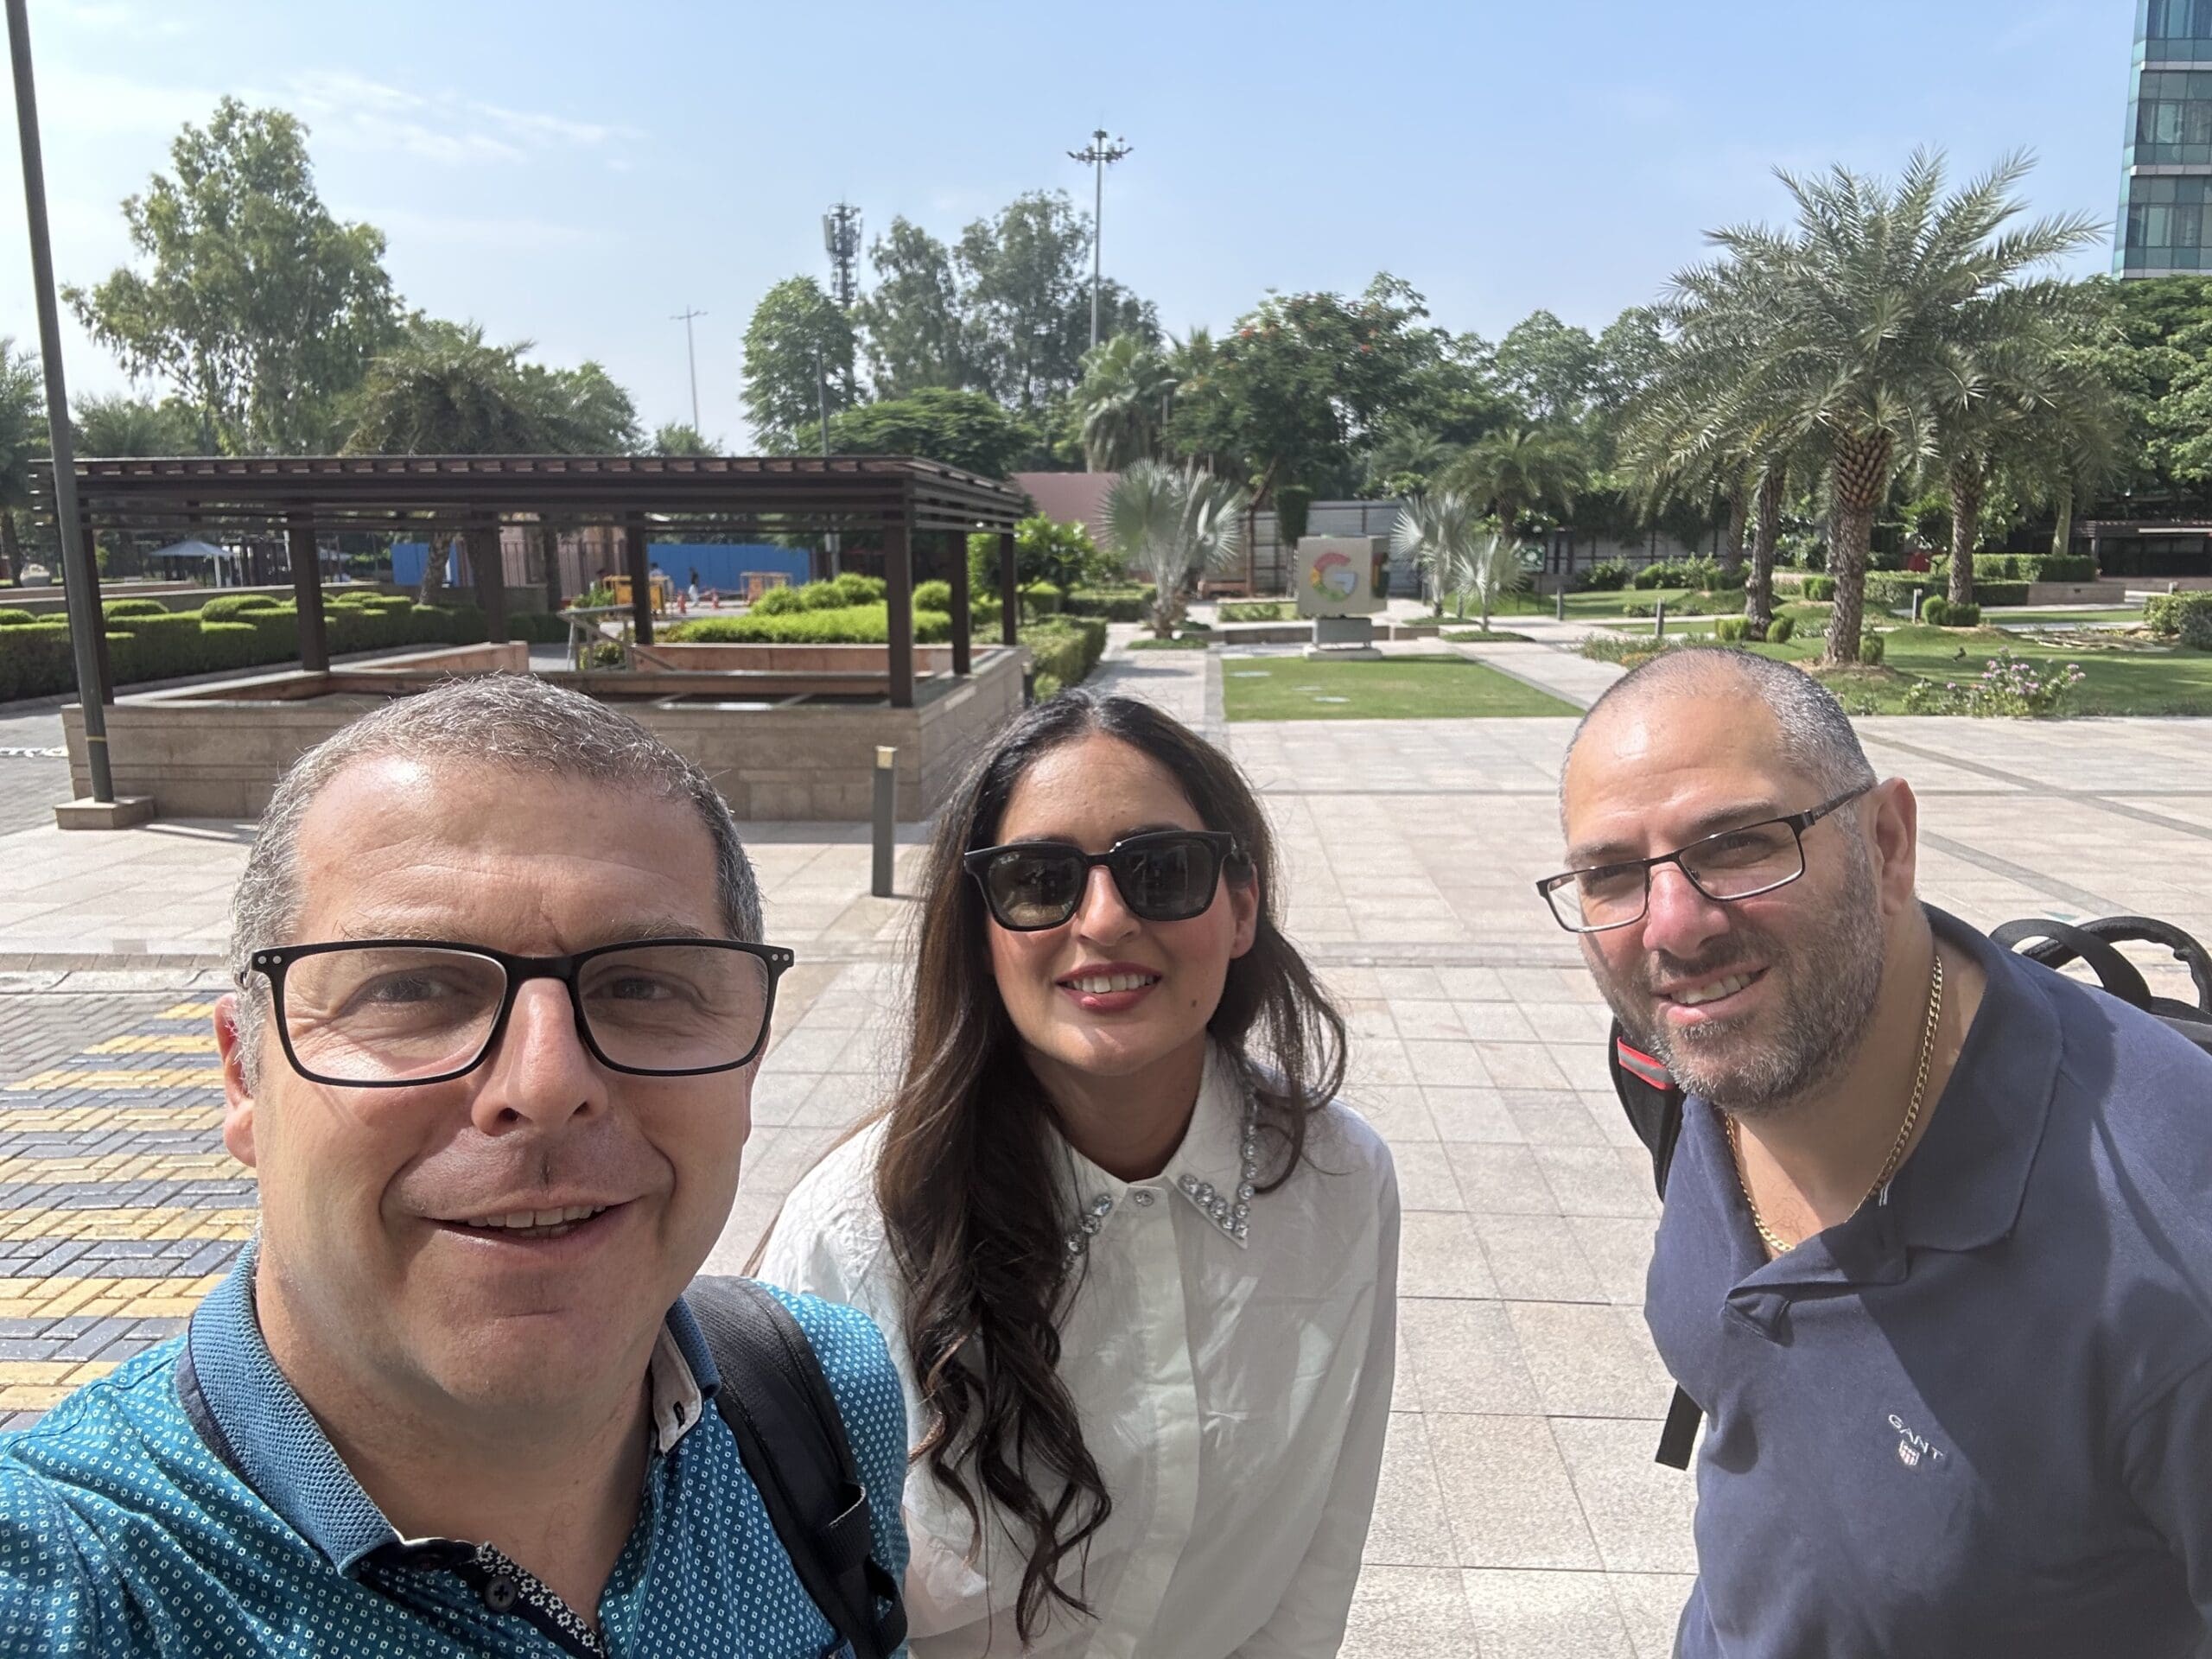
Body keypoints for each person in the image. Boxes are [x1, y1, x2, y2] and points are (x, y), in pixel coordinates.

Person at [0, 676, 910, 1656]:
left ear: (749, 1062)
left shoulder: (824, 1393)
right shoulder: (63, 1578)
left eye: (643, 984)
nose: (547, 1081)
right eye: (413, 987)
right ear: (243, 1076)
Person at [1545, 647, 2212, 1656]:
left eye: (1737, 845)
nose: (1672, 929)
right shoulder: (1690, 1063)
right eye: (1610, 876)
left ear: (1888, 841)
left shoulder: (2171, 1252)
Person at [759, 690, 1399, 1657]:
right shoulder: (860, 1230)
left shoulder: (1339, 1182)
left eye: (1163, 870)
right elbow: (788, 1583)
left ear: (1240, 908)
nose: (1102, 921)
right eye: (1037, 879)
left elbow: (1323, 1537)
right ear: (980, 929)